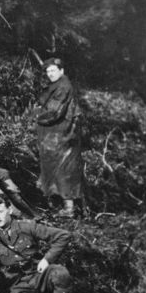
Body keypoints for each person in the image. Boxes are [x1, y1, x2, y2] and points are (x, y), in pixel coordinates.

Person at [35, 58, 84, 217]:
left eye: (53, 71)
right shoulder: (58, 85)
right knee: (59, 168)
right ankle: (60, 205)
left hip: (61, 134)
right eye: (48, 71)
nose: (50, 74)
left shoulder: (63, 86)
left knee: (63, 169)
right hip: (58, 133)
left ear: (61, 71)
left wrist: (36, 116)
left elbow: (54, 112)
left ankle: (68, 209)